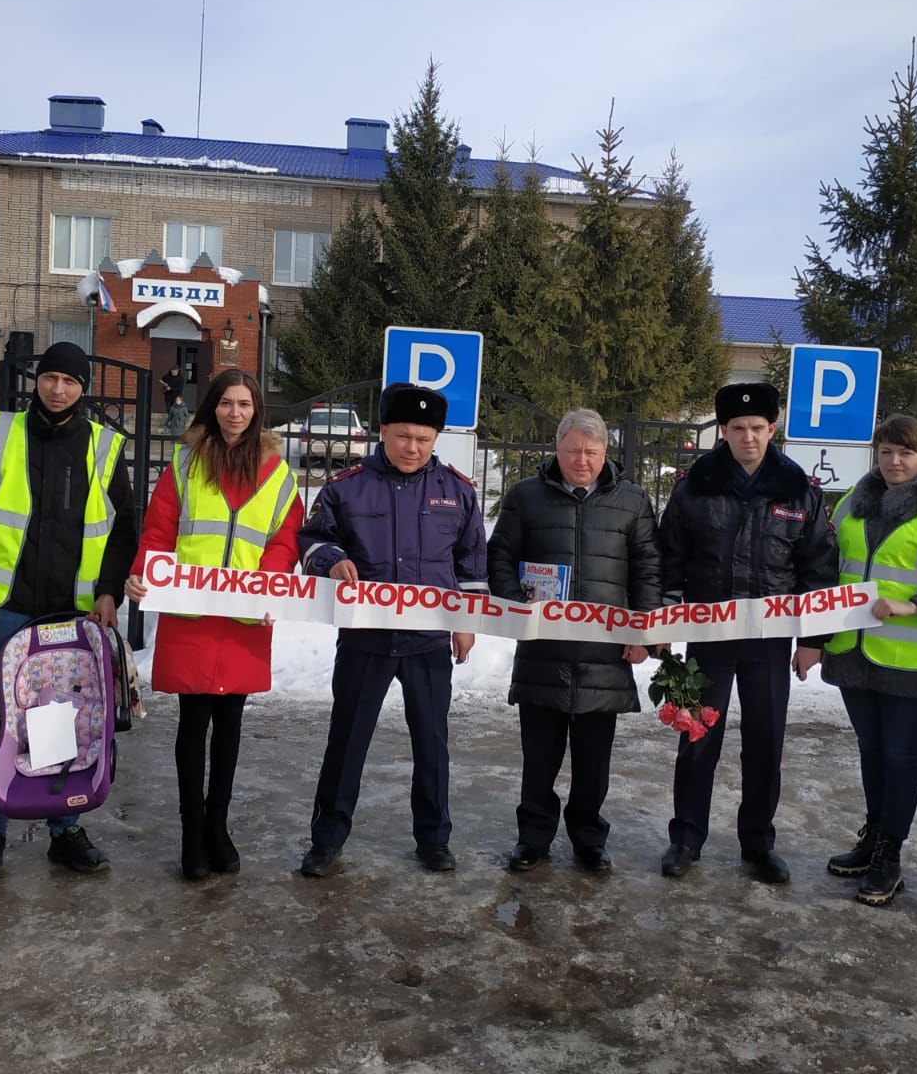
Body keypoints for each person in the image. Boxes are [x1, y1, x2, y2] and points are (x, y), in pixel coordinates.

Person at [0, 341, 138, 884]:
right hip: (5, 604)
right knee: (2, 724)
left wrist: (108, 591)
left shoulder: (104, 446)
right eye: (50, 378)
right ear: (38, 381)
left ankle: (65, 828)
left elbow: (123, 528)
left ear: (84, 388)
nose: (59, 389)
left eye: (70, 381)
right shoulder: (0, 433)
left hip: (74, 611)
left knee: (66, 722)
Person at [296, 382, 488, 877]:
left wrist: (466, 624)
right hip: (367, 639)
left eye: (424, 439)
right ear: (382, 431)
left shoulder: (457, 492)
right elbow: (312, 540)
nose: (413, 448)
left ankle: (434, 839)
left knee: (432, 743)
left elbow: (471, 565)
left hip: (428, 641)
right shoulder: (347, 487)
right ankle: (327, 839)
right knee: (348, 740)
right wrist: (333, 561)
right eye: (403, 436)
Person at [125, 370, 303, 879]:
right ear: (212, 408)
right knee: (192, 722)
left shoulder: (276, 472)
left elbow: (286, 538)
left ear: (257, 411)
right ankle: (191, 832)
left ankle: (218, 826)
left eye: (245, 404)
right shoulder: (185, 463)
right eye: (226, 403)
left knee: (230, 723)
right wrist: (143, 573)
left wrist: (268, 583)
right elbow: (159, 526)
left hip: (243, 617)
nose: (235, 413)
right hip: (191, 616)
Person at [657, 383, 838, 884]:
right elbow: (670, 555)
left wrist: (813, 639)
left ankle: (758, 843)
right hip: (707, 635)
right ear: (723, 431)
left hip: (770, 641)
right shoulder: (697, 484)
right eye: (738, 429)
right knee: (696, 737)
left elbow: (819, 566)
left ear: (772, 429)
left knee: (765, 741)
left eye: (758, 428)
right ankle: (686, 838)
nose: (749, 438)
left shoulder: (797, 486)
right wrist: (666, 619)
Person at [488, 408, 661, 874]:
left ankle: (588, 838)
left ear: (606, 452)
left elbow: (647, 567)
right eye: (573, 451)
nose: (582, 460)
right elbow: (501, 554)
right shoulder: (526, 497)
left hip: (604, 655)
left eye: (592, 451)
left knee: (593, 762)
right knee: (538, 757)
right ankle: (533, 837)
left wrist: (644, 630)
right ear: (557, 450)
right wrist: (512, 607)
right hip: (543, 649)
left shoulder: (632, 501)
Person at [820, 414, 917, 907]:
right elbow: (829, 567)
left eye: (905, 453)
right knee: (871, 751)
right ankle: (872, 837)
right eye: (886, 451)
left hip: (910, 655)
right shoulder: (852, 502)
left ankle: (890, 854)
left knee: (900, 754)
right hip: (852, 649)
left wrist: (914, 606)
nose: (894, 461)